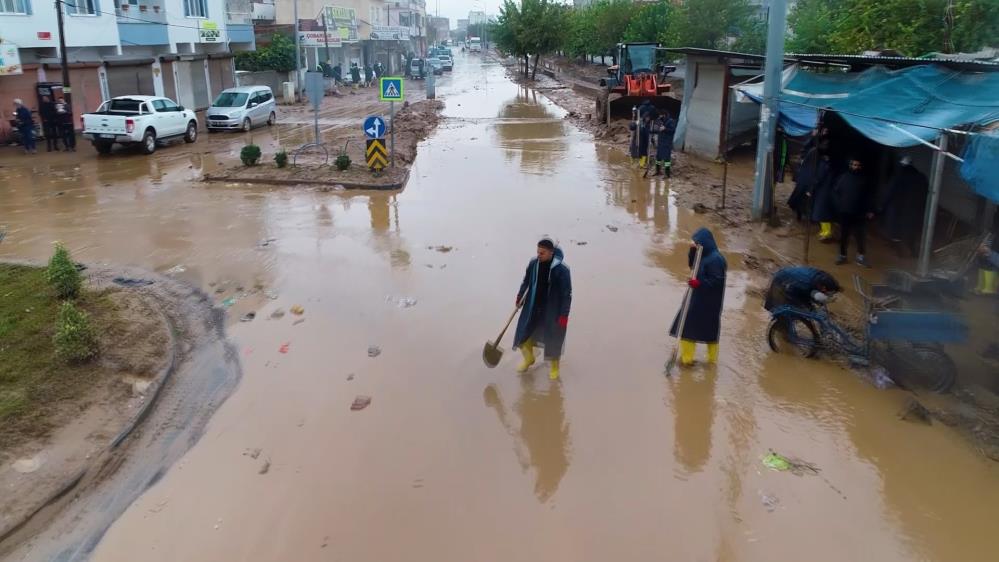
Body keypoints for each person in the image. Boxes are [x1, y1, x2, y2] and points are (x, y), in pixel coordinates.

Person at [513, 238, 572, 381]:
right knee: (523, 333)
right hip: (533, 306)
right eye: (538, 252)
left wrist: (564, 315)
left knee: (553, 339)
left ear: (551, 252)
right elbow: (526, 281)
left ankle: (554, 368)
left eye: (542, 253)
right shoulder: (534, 264)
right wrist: (520, 295)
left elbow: (567, 294)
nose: (539, 255)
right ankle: (529, 359)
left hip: (552, 310)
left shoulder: (562, 270)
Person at [670, 227, 727, 366]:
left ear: (706, 242)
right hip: (696, 297)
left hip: (708, 302)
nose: (696, 244)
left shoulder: (716, 259)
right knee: (688, 328)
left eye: (698, 242)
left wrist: (699, 284)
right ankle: (687, 360)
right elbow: (692, 265)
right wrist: (692, 251)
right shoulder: (702, 254)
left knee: (700, 330)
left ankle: (710, 362)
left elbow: (717, 282)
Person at [879, 155, 927, 251]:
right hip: (913, 207)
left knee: (895, 228)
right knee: (910, 227)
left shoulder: (898, 176)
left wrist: (882, 205)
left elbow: (890, 191)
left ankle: (897, 248)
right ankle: (911, 246)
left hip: (897, 207)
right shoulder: (921, 177)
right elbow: (924, 192)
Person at [833, 157, 875, 266]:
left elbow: (869, 196)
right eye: (854, 165)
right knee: (844, 235)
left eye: (858, 165)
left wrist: (870, 210)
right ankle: (842, 256)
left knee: (860, 236)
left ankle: (860, 257)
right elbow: (836, 193)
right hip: (845, 212)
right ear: (850, 165)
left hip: (859, 213)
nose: (856, 167)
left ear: (860, 167)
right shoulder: (843, 177)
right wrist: (839, 206)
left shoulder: (864, 179)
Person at [764, 266, 842, 312]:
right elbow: (794, 294)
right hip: (780, 281)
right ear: (823, 288)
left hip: (794, 280)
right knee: (780, 309)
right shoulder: (806, 284)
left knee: (806, 306)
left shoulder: (822, 278)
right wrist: (808, 306)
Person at [810, 144, 839, 240]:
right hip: (826, 191)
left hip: (823, 192)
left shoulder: (823, 164)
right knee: (823, 213)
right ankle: (825, 231)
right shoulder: (830, 164)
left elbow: (819, 178)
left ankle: (827, 233)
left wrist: (812, 188)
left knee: (822, 213)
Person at [653, 111, 676, 177]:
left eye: (661, 115)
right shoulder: (660, 121)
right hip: (660, 143)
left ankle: (667, 174)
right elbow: (658, 130)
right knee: (658, 158)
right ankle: (657, 171)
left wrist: (665, 129)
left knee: (667, 159)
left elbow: (672, 131)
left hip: (666, 143)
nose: (660, 117)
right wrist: (652, 131)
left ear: (664, 115)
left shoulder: (670, 121)